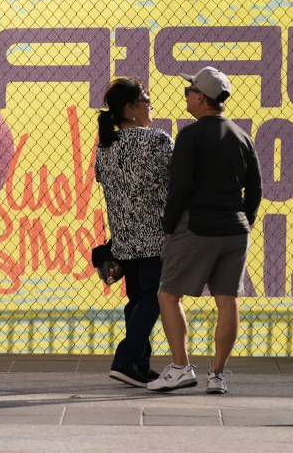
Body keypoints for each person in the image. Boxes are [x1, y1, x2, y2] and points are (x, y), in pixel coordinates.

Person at [147, 67, 262, 396]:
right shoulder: (243, 136)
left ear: (200, 97)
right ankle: (217, 374)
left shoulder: (191, 135)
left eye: (189, 90)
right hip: (235, 230)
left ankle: (181, 367)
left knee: (168, 294)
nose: (186, 94)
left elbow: (180, 186)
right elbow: (254, 189)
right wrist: (245, 221)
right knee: (227, 302)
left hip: (198, 227)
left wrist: (168, 226)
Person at [93, 77, 173, 388]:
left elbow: (107, 184)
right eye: (146, 101)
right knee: (154, 298)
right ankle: (126, 360)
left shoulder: (105, 146)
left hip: (124, 238)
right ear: (131, 108)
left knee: (137, 299)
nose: (151, 105)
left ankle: (139, 363)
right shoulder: (156, 141)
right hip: (156, 235)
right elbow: (180, 178)